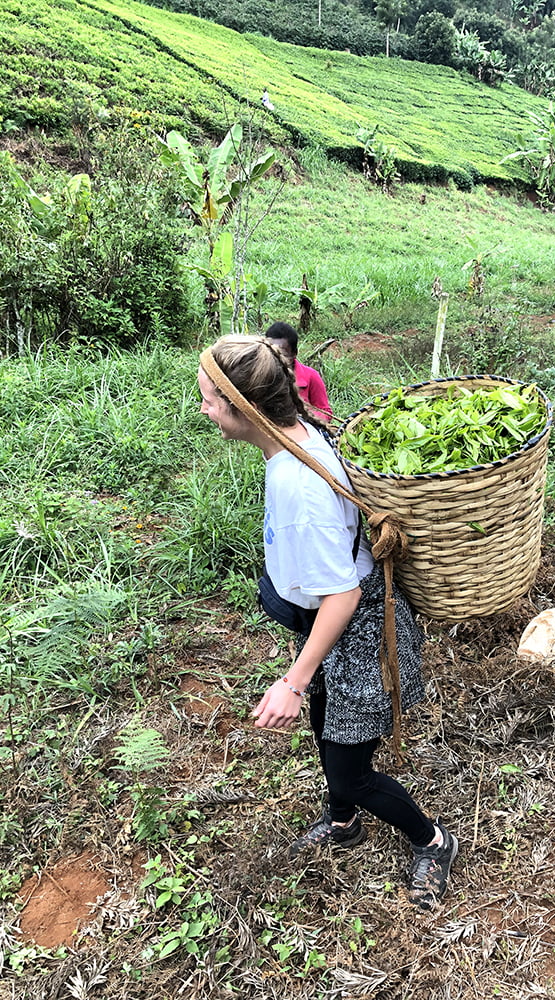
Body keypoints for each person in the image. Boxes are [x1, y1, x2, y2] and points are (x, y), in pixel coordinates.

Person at [197, 334, 458, 910]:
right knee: (325, 724)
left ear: (244, 408)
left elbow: (341, 595)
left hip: (355, 633)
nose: (204, 410)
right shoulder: (300, 436)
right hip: (330, 630)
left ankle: (432, 840)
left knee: (351, 773)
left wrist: (292, 679)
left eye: (210, 400)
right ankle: (343, 824)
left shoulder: (298, 491)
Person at [265, 320, 333, 422]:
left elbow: (325, 413)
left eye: (282, 353)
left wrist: (303, 415)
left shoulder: (311, 376)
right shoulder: (261, 375)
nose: (276, 358)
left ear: (294, 353)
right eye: (270, 351)